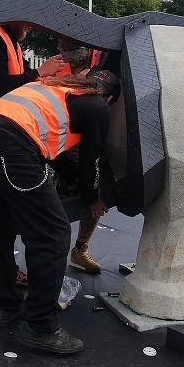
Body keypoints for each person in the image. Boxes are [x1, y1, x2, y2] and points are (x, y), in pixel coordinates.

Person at [0, 71, 121, 354]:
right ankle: (40, 326)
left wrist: (69, 175)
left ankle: (5, 306)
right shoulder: (98, 105)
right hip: (11, 143)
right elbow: (92, 158)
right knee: (53, 234)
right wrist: (92, 198)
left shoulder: (57, 86)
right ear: (110, 97)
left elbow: (53, 148)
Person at [0, 21, 64, 290]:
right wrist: (38, 74)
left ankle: (4, 281)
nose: (30, 28)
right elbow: (0, 87)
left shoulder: (10, 42)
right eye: (28, 23)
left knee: (0, 215)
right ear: (17, 17)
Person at [55, 38, 106, 274]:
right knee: (53, 206)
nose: (59, 49)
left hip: (87, 138)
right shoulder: (56, 66)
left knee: (94, 198)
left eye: (64, 46)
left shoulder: (99, 65)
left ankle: (80, 250)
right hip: (58, 143)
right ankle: (51, 259)